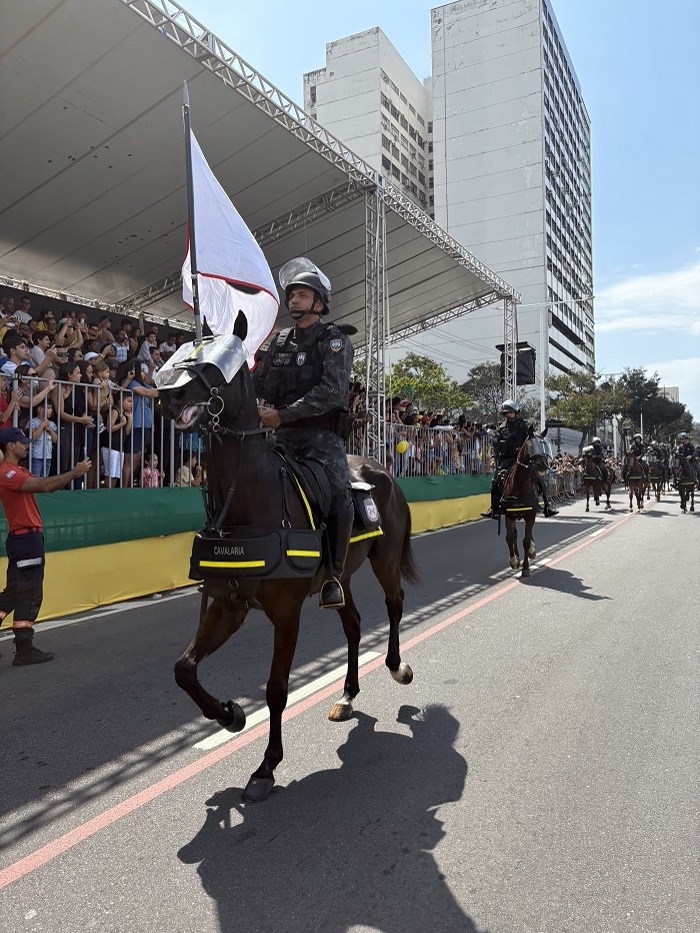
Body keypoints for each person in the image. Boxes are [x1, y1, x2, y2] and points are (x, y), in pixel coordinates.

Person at [253, 258, 354, 609]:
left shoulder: (334, 340)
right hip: (279, 438)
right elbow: (260, 382)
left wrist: (283, 415)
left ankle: (333, 576)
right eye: (292, 294)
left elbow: (331, 392)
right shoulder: (279, 341)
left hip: (320, 439)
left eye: (302, 294)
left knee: (341, 495)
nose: (294, 299)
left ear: (319, 302)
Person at [0, 426, 90, 665]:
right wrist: (75, 472)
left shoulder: (15, 470)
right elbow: (45, 486)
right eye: (22, 442)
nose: (27, 445)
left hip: (24, 539)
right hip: (25, 539)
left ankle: (23, 648)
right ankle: (24, 649)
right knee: (28, 593)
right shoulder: (8, 473)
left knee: (14, 592)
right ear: (10, 445)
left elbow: (43, 483)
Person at [481, 399, 558, 519]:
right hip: (505, 461)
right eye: (506, 413)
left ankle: (547, 507)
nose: (508, 415)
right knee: (495, 482)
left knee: (539, 479)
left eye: (511, 412)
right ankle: (494, 509)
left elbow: (531, 439)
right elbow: (495, 445)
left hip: (522, 460)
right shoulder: (501, 428)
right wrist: (492, 458)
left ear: (516, 413)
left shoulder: (523, 425)